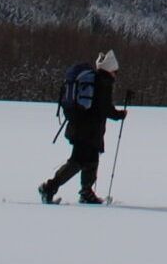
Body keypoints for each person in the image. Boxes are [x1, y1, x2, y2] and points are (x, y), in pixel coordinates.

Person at [40, 49, 128, 204]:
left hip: (84, 129)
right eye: (116, 71)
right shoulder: (103, 82)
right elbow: (104, 108)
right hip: (87, 131)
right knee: (77, 162)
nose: (116, 74)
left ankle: (86, 192)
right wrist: (119, 115)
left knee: (91, 160)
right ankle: (49, 187)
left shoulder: (96, 79)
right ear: (111, 70)